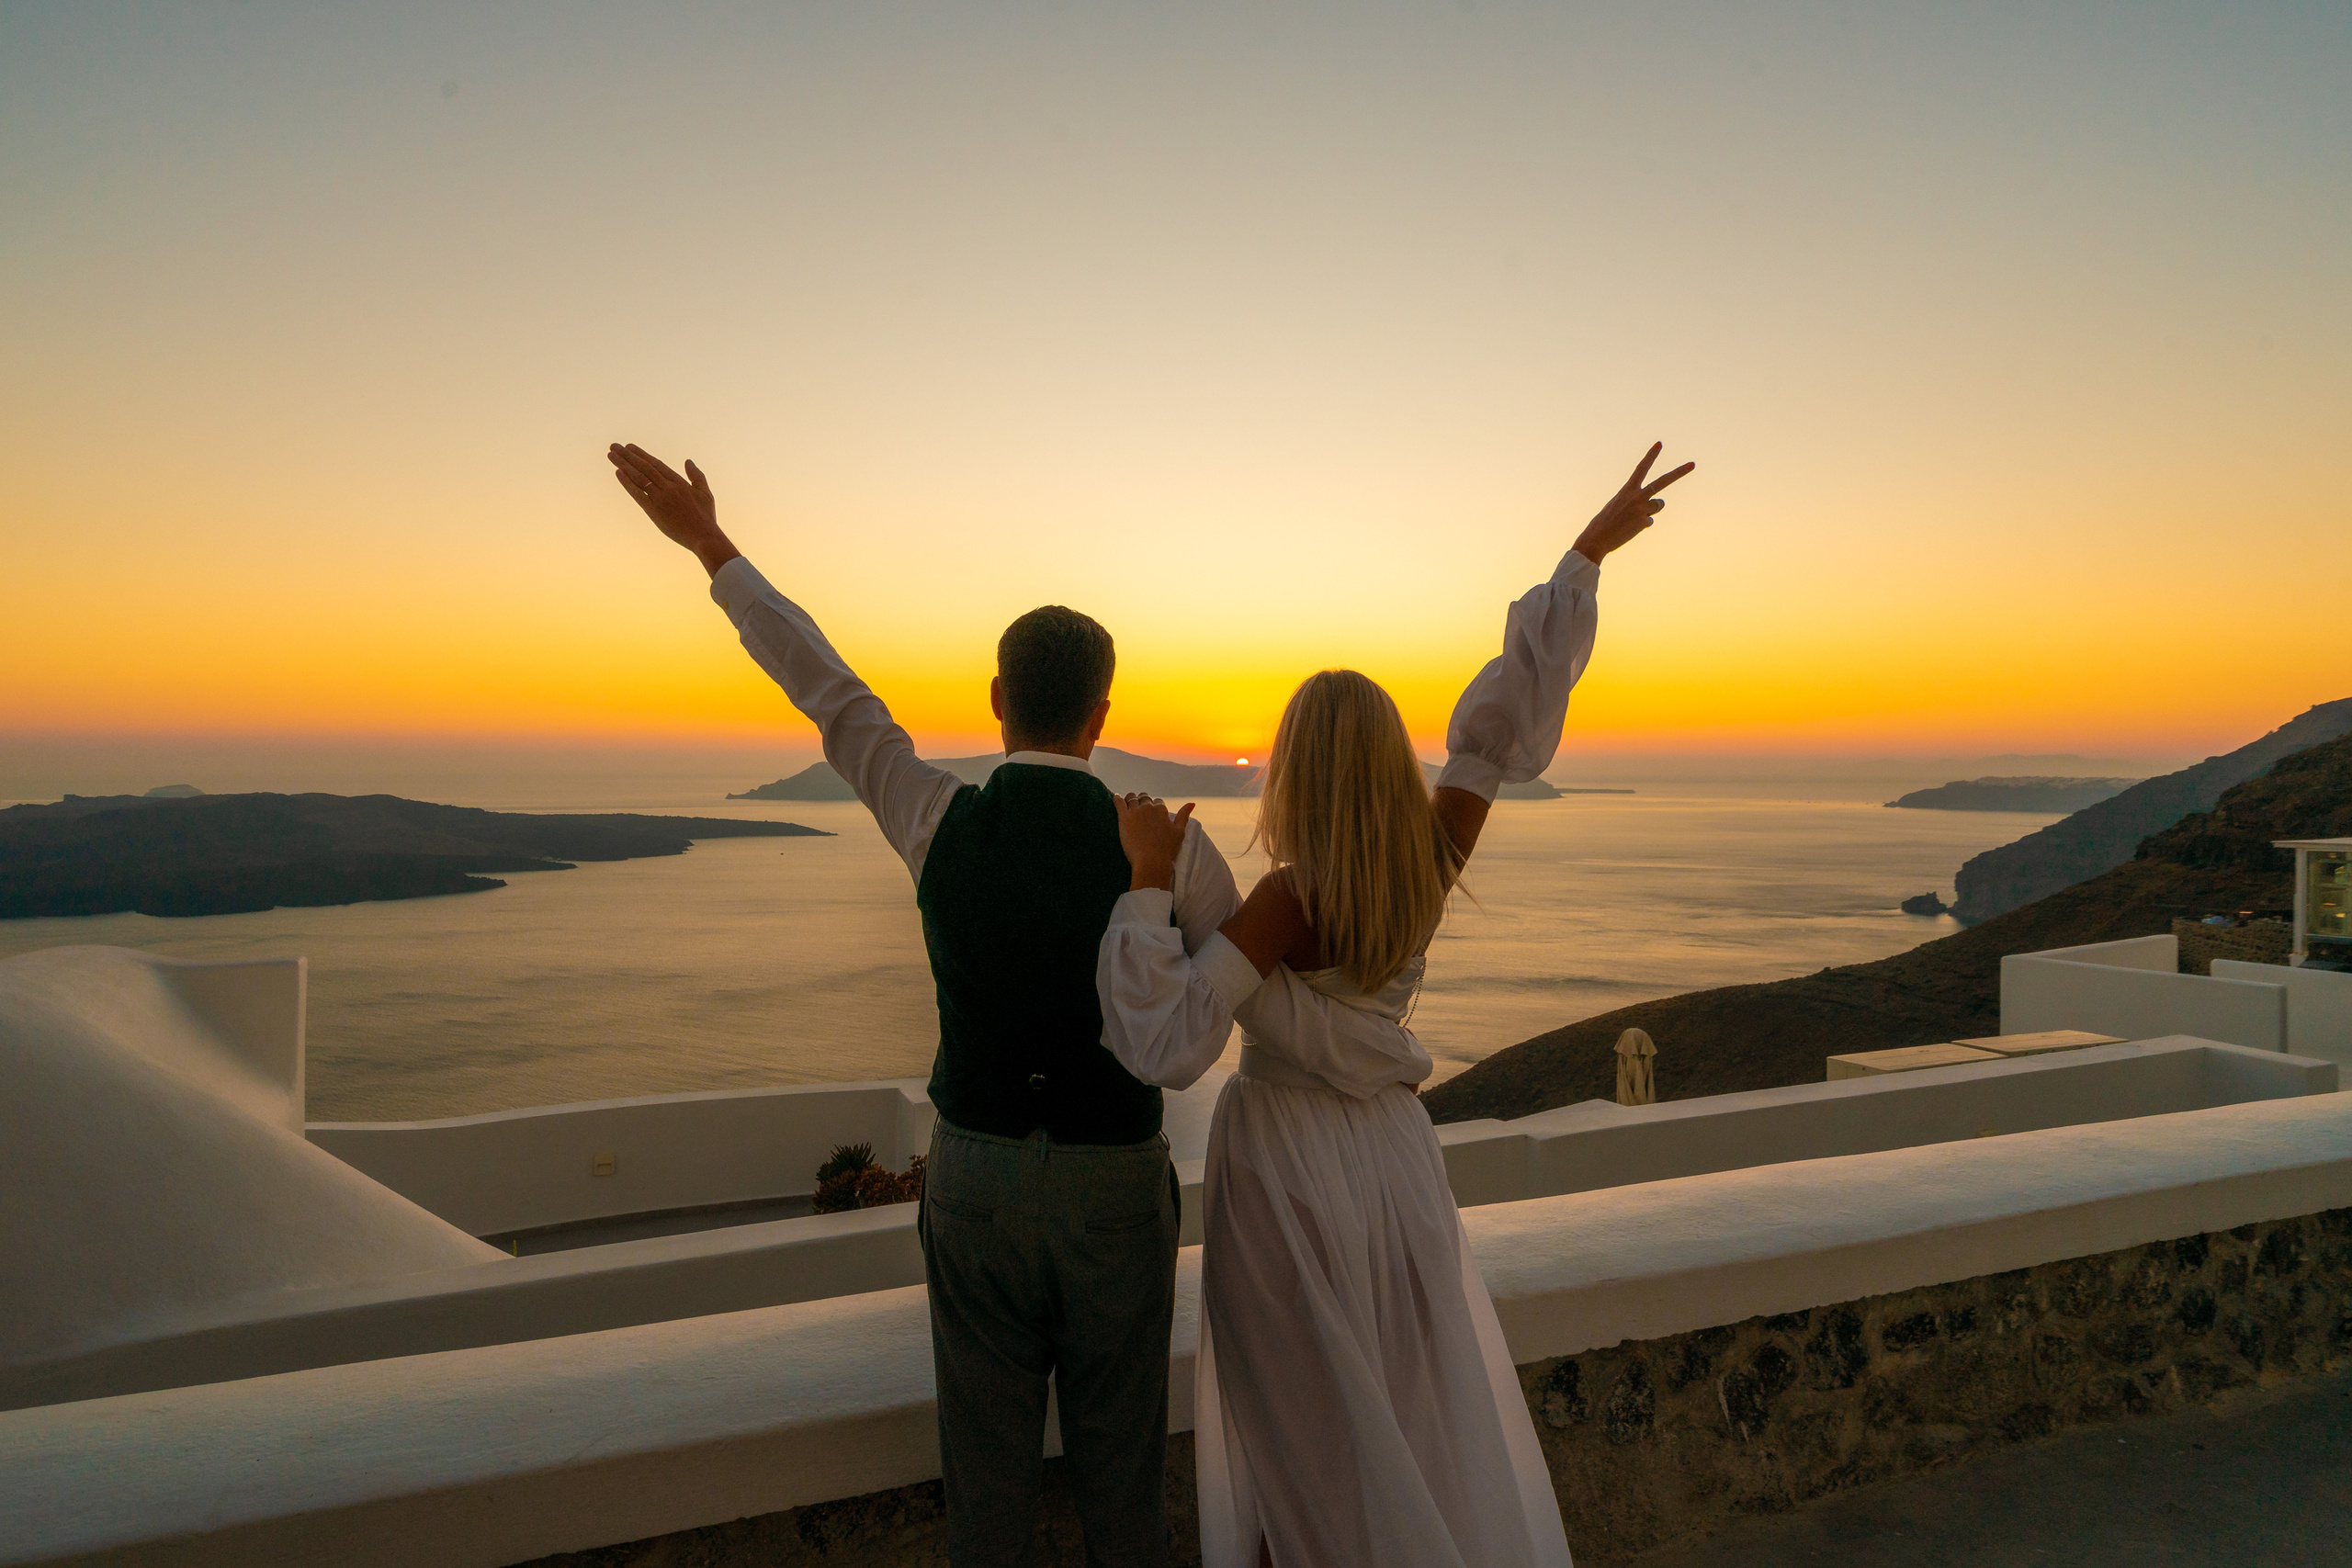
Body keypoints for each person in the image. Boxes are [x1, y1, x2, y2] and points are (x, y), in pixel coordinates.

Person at [607, 442, 1238, 1568]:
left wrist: (713, 548)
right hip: (1111, 1184)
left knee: (986, 1501)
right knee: (1124, 1491)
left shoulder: (934, 817)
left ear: (996, 702)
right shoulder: (1170, 851)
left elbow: (830, 692)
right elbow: (1229, 996)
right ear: (1102, 710)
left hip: (979, 1178)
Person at [1096, 445, 1693, 1568]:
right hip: (1392, 1160)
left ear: (1294, 772)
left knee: (1299, 1445)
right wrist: (1582, 557)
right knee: (1403, 1418)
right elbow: (1502, 723)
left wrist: (1144, 880)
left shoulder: (1283, 903)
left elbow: (1167, 1042)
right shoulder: (1432, 854)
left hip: (1284, 1168)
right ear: (1383, 765)